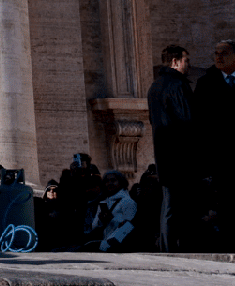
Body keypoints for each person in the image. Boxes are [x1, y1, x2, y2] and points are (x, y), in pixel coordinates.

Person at [148, 43, 199, 251]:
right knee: (182, 205)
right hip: (180, 154)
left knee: (169, 204)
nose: (189, 65)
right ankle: (178, 248)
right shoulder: (177, 85)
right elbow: (188, 120)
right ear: (175, 62)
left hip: (163, 154)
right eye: (186, 60)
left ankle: (169, 248)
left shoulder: (155, 86)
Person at [194, 39, 235, 248]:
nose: (218, 57)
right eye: (216, 53)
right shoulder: (206, 84)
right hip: (218, 157)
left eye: (224, 53)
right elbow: (198, 123)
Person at [97, 170, 136, 252]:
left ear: (121, 182)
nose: (110, 183)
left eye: (113, 180)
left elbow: (129, 227)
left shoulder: (127, 201)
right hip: (105, 245)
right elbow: (94, 226)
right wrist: (101, 220)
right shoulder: (105, 201)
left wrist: (112, 219)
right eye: (107, 181)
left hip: (120, 247)